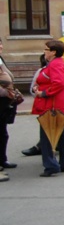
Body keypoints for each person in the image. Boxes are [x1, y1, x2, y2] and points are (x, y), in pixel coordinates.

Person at [31, 41, 64, 177]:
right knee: (63, 134)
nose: (44, 51)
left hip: (52, 105)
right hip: (60, 104)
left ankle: (50, 165)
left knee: (48, 136)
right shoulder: (59, 63)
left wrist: (43, 93)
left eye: (46, 49)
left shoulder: (55, 64)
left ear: (53, 52)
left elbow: (59, 83)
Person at [0, 38, 18, 176]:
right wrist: (5, 91)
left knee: (3, 133)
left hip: (4, 102)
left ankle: (2, 159)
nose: (0, 46)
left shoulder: (0, 59)